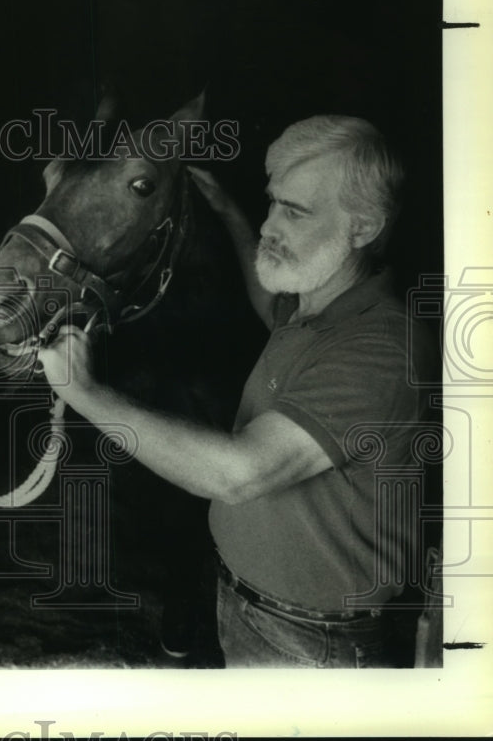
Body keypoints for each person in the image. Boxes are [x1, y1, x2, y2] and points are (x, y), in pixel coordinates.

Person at [37, 115, 436, 667]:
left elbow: (239, 473)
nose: (272, 223)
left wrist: (83, 393)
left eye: (294, 211)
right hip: (251, 605)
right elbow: (268, 302)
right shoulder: (312, 306)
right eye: (273, 202)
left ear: (363, 227)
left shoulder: (384, 348)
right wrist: (228, 212)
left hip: (312, 642)